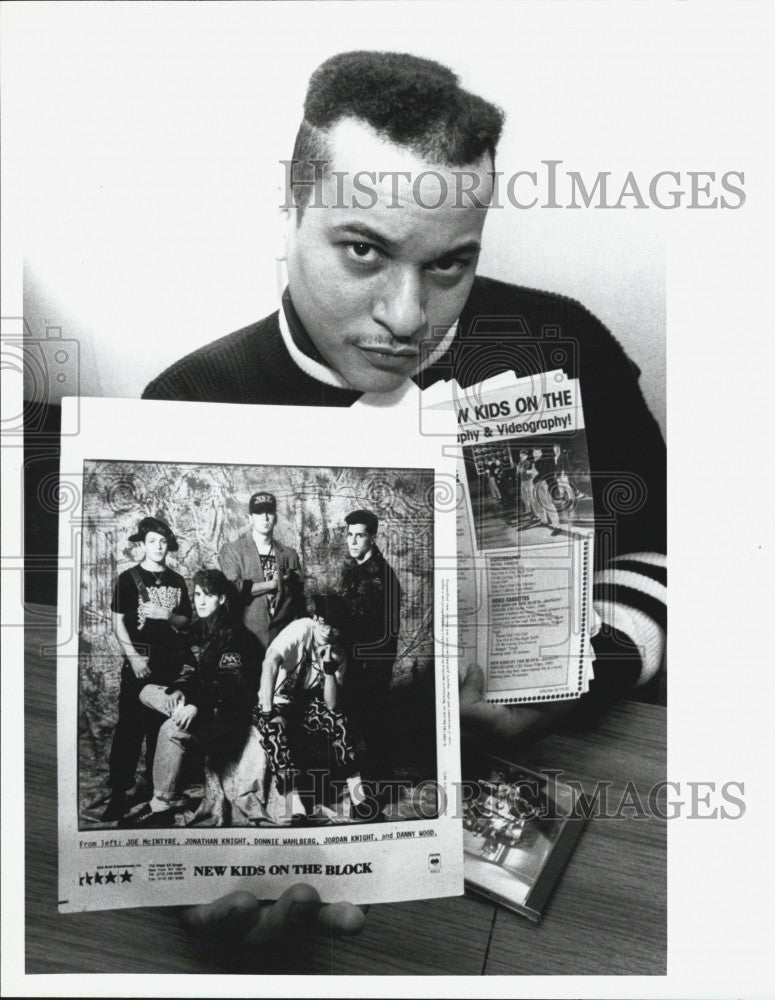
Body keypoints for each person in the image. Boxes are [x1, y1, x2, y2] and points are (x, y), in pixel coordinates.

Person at [142, 48, 666, 941]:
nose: (406, 315)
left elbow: (672, 546)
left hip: (578, 813)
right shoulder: (185, 404)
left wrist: (587, 666)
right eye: (363, 251)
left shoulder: (557, 343)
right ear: (293, 206)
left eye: (449, 265)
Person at [122, 568, 258, 828]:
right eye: (197, 595)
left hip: (224, 715)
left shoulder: (234, 634)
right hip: (202, 704)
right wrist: (181, 690)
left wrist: (196, 705)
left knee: (170, 728)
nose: (202, 601)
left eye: (208, 595)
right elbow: (189, 670)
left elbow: (230, 684)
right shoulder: (198, 629)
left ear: (221, 599)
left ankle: (161, 804)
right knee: (146, 692)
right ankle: (182, 714)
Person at [251, 593, 375, 825]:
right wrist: (269, 713)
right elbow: (270, 662)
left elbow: (331, 704)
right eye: (324, 624)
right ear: (315, 619)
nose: (328, 632)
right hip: (274, 701)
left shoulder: (338, 653)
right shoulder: (301, 629)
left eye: (335, 629)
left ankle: (359, 801)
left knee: (338, 718)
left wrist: (328, 670)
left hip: (304, 705)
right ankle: (295, 807)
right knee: (275, 732)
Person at [102, 516, 192, 822]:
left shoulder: (178, 581)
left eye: (163, 542)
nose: (158, 547)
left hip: (170, 666)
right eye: (152, 541)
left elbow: (185, 622)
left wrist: (165, 613)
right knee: (129, 729)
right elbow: (116, 622)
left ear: (169, 546)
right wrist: (134, 657)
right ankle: (118, 793)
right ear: (143, 544)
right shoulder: (128, 579)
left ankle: (159, 797)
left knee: (160, 732)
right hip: (139, 664)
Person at [338, 509, 401, 780]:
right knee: (355, 725)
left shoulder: (383, 578)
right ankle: (364, 785)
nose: (352, 542)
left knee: (372, 726)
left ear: (372, 538)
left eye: (359, 536)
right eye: (349, 535)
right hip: (354, 660)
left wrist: (369, 664)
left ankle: (376, 788)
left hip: (372, 664)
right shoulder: (354, 571)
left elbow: (388, 632)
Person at [219, 490, 305, 661]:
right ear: (250, 518)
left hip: (282, 640)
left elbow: (298, 599)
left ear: (276, 517)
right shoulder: (233, 550)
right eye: (259, 513)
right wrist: (272, 584)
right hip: (246, 639)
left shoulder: (290, 554)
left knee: (282, 687)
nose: (265, 518)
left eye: (269, 512)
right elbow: (232, 590)